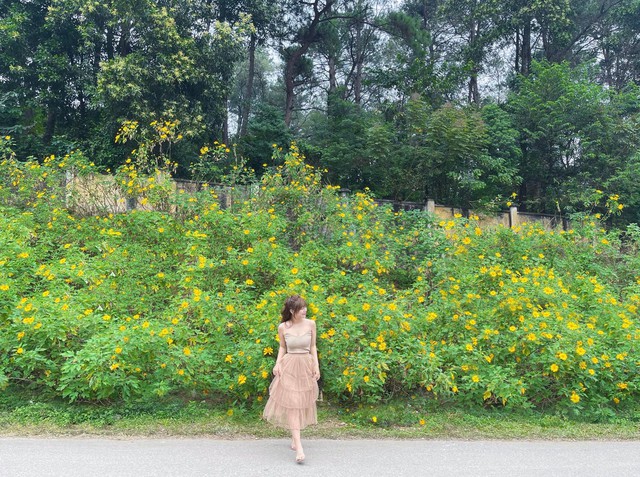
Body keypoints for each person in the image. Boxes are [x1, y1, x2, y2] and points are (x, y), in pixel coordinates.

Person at [263, 295, 320, 464]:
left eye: (305, 307)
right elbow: (282, 347)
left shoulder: (311, 324)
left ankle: (295, 438)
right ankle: (299, 446)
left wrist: (316, 366)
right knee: (293, 404)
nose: (305, 310)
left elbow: (313, 346)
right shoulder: (283, 327)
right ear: (291, 311)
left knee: (301, 402)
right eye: (301, 308)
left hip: (306, 365)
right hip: (289, 366)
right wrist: (277, 364)